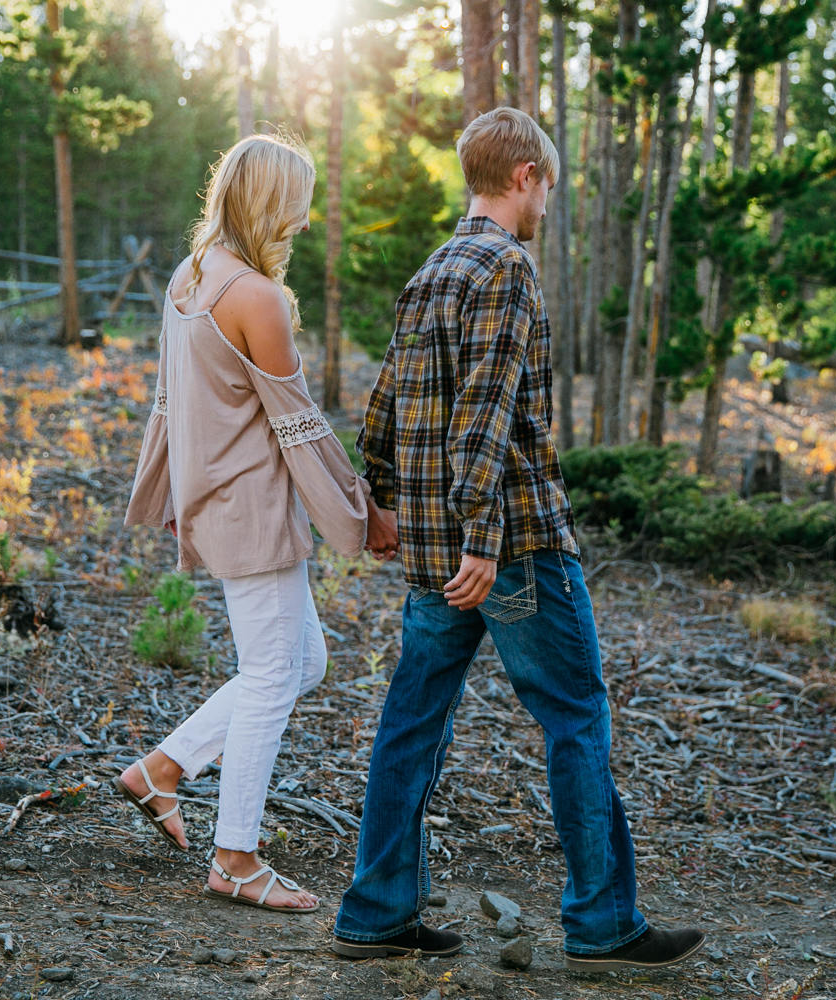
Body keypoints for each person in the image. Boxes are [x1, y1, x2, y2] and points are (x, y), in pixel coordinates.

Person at [331, 107, 705, 971]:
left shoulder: (431, 270)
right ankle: (605, 925)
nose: (547, 205)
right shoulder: (505, 266)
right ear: (527, 174)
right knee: (575, 716)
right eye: (549, 187)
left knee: (410, 724)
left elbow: (384, 407)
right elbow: (485, 420)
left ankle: (376, 912)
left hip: (436, 550)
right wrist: (483, 540)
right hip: (510, 547)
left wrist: (382, 501)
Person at [121, 133, 399, 913]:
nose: (304, 222)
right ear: (269, 200)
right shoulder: (256, 297)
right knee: (276, 674)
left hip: (216, 501)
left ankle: (163, 770)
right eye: (298, 203)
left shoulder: (191, 275)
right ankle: (235, 858)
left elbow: (174, 402)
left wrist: (176, 495)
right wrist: (362, 513)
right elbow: (299, 424)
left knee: (301, 662)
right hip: (253, 510)